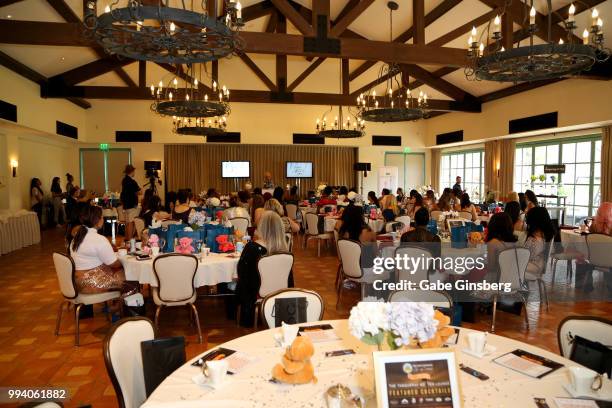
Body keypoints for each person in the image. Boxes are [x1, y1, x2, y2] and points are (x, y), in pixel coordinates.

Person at [235, 211, 292, 327]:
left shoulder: (252, 247)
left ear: (261, 227)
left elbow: (242, 273)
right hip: (282, 293)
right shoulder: (286, 251)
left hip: (256, 294)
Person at [69, 206, 137, 296]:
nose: (103, 219)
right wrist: (126, 258)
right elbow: (113, 263)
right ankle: (130, 306)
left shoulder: (77, 237)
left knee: (119, 273)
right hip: (91, 283)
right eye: (101, 217)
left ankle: (117, 305)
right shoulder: (98, 239)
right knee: (131, 276)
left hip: (77, 281)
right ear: (97, 220)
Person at [524, 207, 555, 275]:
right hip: (539, 264)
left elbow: (528, 256)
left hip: (532, 267)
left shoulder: (535, 238)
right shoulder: (546, 234)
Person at [120, 164, 141, 241]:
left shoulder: (124, 180)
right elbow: (139, 192)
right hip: (132, 205)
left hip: (125, 204)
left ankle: (126, 238)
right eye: (134, 171)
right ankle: (129, 240)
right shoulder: (132, 181)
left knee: (127, 222)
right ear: (132, 171)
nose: (134, 173)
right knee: (131, 222)